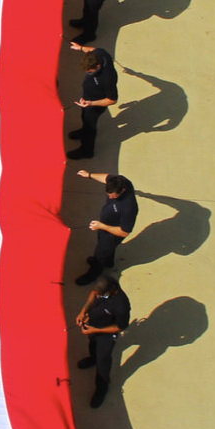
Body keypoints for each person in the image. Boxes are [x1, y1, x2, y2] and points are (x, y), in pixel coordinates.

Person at [74, 273, 130, 408]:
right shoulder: (102, 290)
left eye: (102, 295)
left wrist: (95, 330)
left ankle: (102, 388)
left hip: (106, 333)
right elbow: (93, 293)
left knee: (103, 361)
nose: (98, 296)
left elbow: (119, 327)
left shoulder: (121, 306)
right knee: (92, 345)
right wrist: (84, 311)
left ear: (112, 290)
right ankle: (92, 358)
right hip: (94, 325)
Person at [75, 171, 138, 285]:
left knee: (101, 252)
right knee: (106, 249)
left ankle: (93, 273)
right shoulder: (120, 181)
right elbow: (106, 177)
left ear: (122, 191)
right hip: (104, 226)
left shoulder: (129, 207)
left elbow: (124, 232)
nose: (109, 197)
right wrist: (89, 175)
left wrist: (102, 226)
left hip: (112, 234)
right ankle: (109, 262)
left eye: (112, 195)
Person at [66, 44, 118, 160]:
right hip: (87, 99)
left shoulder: (107, 78)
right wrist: (80, 48)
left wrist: (90, 104)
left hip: (95, 105)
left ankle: (87, 150)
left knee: (90, 126)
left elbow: (112, 100)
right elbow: (91, 50)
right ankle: (83, 131)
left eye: (90, 71)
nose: (88, 73)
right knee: (84, 118)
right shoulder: (100, 54)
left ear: (98, 66)